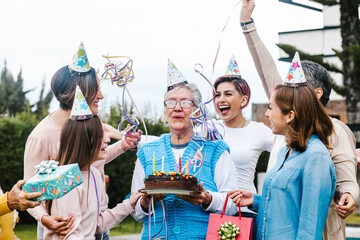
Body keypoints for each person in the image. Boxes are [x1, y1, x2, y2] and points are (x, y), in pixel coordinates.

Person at [240, 1, 359, 239]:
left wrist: (349, 195)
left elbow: (345, 178)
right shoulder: (288, 130)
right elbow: (266, 69)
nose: (288, 91)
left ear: (316, 93)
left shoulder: (332, 131)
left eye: (297, 86)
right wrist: (247, 24)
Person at [23, 42, 142, 240]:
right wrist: (45, 219)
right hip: (62, 228)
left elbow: (93, 161)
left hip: (96, 224)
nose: (101, 96)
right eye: (97, 89)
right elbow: (29, 189)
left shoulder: (89, 123)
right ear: (79, 91)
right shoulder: (41, 136)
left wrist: (122, 145)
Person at [229, 55, 336, 239]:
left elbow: (310, 229)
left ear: (290, 115)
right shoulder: (285, 152)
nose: (267, 114)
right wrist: (255, 200)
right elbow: (288, 205)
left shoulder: (316, 157)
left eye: (271, 108)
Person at [131, 60, 238, 240]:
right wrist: (143, 203)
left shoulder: (215, 150)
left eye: (185, 102)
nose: (177, 108)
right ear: (165, 112)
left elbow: (234, 204)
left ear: (197, 112)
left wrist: (208, 199)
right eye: (171, 102)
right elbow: (136, 212)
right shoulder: (147, 153)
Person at [43, 86, 142, 239]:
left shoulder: (94, 174)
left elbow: (97, 225)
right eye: (101, 135)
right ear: (84, 140)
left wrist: (129, 203)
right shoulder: (67, 181)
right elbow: (71, 235)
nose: (108, 140)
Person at [213, 56, 273, 217]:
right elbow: (175, 140)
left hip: (244, 211)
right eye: (217, 95)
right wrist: (139, 141)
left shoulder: (258, 131)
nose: (221, 99)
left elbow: (290, 147)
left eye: (228, 94)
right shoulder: (209, 128)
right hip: (212, 209)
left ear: (243, 100)